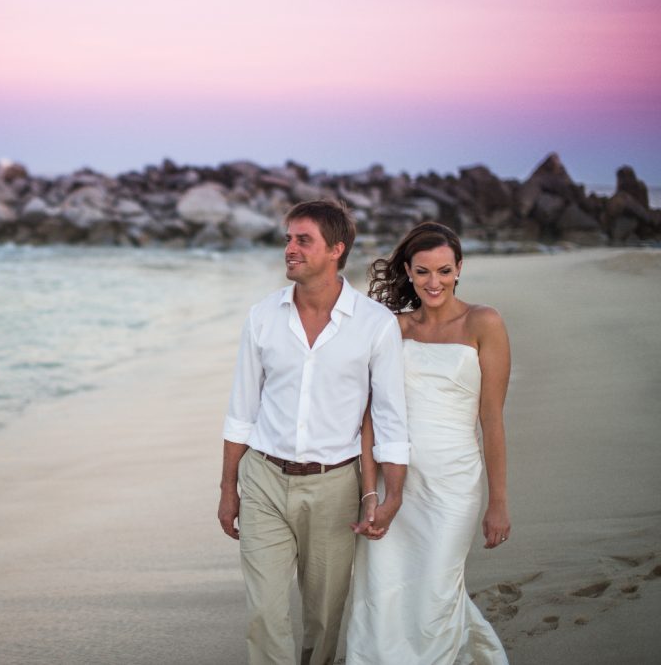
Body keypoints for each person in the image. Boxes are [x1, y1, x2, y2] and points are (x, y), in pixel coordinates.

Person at [218, 200, 410, 665]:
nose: (290, 248)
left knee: (324, 616)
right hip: (262, 478)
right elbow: (241, 409)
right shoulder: (262, 316)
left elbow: (388, 417)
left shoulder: (374, 324)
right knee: (264, 611)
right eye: (288, 238)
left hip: (334, 486)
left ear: (336, 249)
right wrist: (228, 486)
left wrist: (393, 495)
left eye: (303, 240)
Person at [345, 221, 512, 664]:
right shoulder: (393, 329)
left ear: (459, 269)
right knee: (384, 588)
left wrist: (499, 502)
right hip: (394, 476)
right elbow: (369, 417)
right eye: (422, 272)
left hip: (454, 481)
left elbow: (491, 420)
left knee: (436, 591)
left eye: (443, 271)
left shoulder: (484, 322)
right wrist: (369, 489)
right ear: (408, 271)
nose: (433, 282)